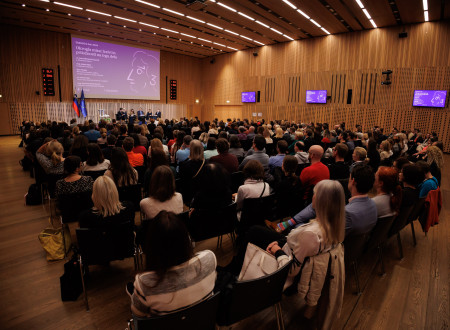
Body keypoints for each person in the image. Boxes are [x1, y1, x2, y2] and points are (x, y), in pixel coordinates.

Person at [228, 180, 345, 294]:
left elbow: (291, 270)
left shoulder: (311, 234)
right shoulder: (335, 227)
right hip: (290, 246)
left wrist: (277, 250)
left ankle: (235, 273)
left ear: (320, 200)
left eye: (315, 194)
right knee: (256, 231)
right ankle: (235, 268)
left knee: (253, 233)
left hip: (283, 262)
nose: (312, 197)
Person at [128, 211, 216, 317]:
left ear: (151, 246)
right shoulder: (209, 258)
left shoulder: (144, 283)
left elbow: (138, 315)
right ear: (185, 238)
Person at [274, 164, 377, 237]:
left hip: (329, 244)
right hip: (351, 248)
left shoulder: (347, 213)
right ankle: (289, 223)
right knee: (317, 204)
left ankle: (288, 224)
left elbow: (324, 234)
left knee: (300, 223)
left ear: (353, 181)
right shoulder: (373, 204)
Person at [178, 140, 206, 204]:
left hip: (190, 197)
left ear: (191, 150)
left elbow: (183, 184)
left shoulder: (184, 165)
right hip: (204, 195)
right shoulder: (207, 163)